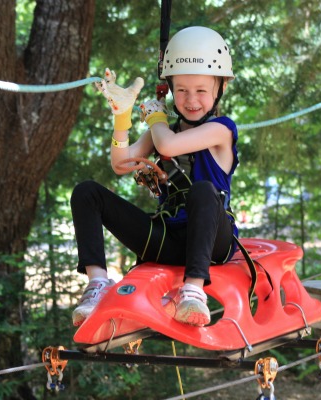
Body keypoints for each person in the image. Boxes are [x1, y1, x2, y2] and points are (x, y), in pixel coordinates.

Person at [70, 26, 239, 328]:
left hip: (213, 243)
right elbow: (122, 164)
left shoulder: (221, 129)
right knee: (87, 192)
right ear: (172, 89)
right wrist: (122, 119)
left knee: (202, 190)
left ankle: (194, 290)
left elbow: (167, 145)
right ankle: (97, 284)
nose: (191, 100)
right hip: (168, 239)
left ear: (220, 88)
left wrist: (156, 120)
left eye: (201, 90)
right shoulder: (162, 130)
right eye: (182, 90)